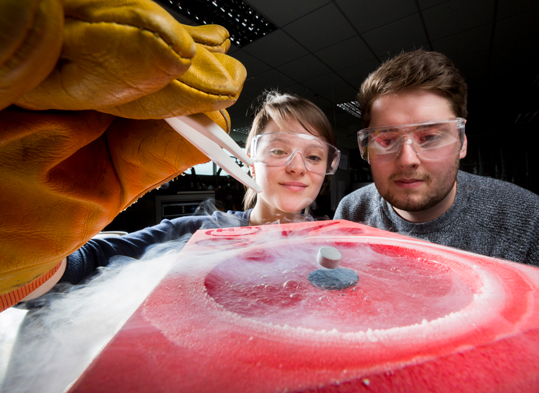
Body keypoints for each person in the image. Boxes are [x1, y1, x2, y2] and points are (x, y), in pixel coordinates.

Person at [21, 91, 341, 301]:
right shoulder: (196, 235)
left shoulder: (339, 243)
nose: (297, 167)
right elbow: (85, 264)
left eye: (314, 157)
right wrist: (31, 245)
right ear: (249, 162)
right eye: (279, 150)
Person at [334, 49, 539, 276]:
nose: (407, 160)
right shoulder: (351, 213)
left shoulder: (530, 222)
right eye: (386, 140)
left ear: (461, 142)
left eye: (429, 137)